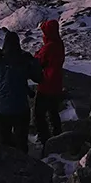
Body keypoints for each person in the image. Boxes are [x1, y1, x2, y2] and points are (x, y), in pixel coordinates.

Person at [0, 29, 34, 151]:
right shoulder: (23, 60)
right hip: (20, 106)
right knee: (21, 140)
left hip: (1, 107)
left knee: (4, 139)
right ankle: (24, 162)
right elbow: (37, 76)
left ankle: (4, 163)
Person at [32, 19, 65, 150]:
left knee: (38, 113)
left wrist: (36, 55)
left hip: (46, 84)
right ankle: (58, 135)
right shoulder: (59, 43)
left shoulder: (49, 47)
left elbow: (39, 60)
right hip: (57, 83)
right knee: (53, 112)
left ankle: (44, 138)